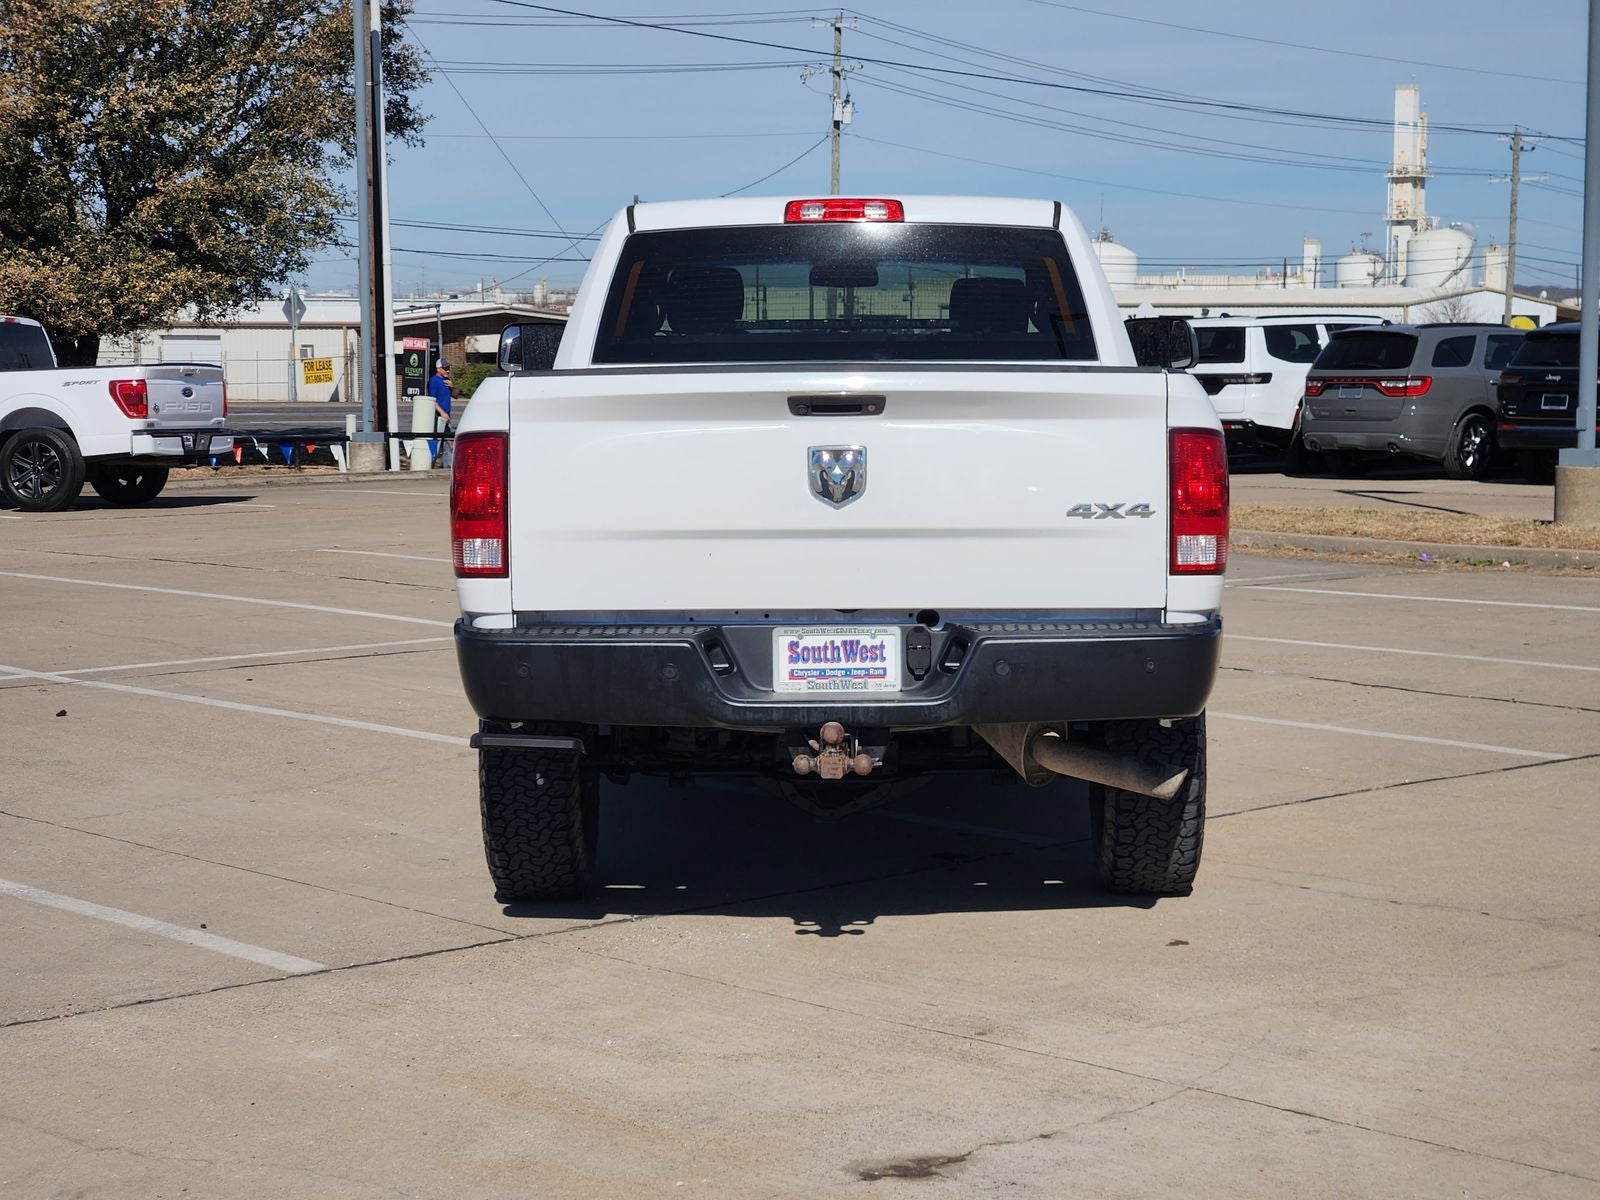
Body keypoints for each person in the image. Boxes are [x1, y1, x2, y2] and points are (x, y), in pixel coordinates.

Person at [428, 359, 454, 467]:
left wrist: (453, 387)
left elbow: (456, 395)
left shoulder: (447, 381)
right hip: (438, 417)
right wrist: (442, 413)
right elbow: (432, 401)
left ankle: (448, 467)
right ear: (438, 369)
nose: (447, 371)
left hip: (447, 417)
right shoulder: (434, 381)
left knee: (450, 443)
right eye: (445, 368)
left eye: (448, 368)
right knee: (438, 442)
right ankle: (432, 464)